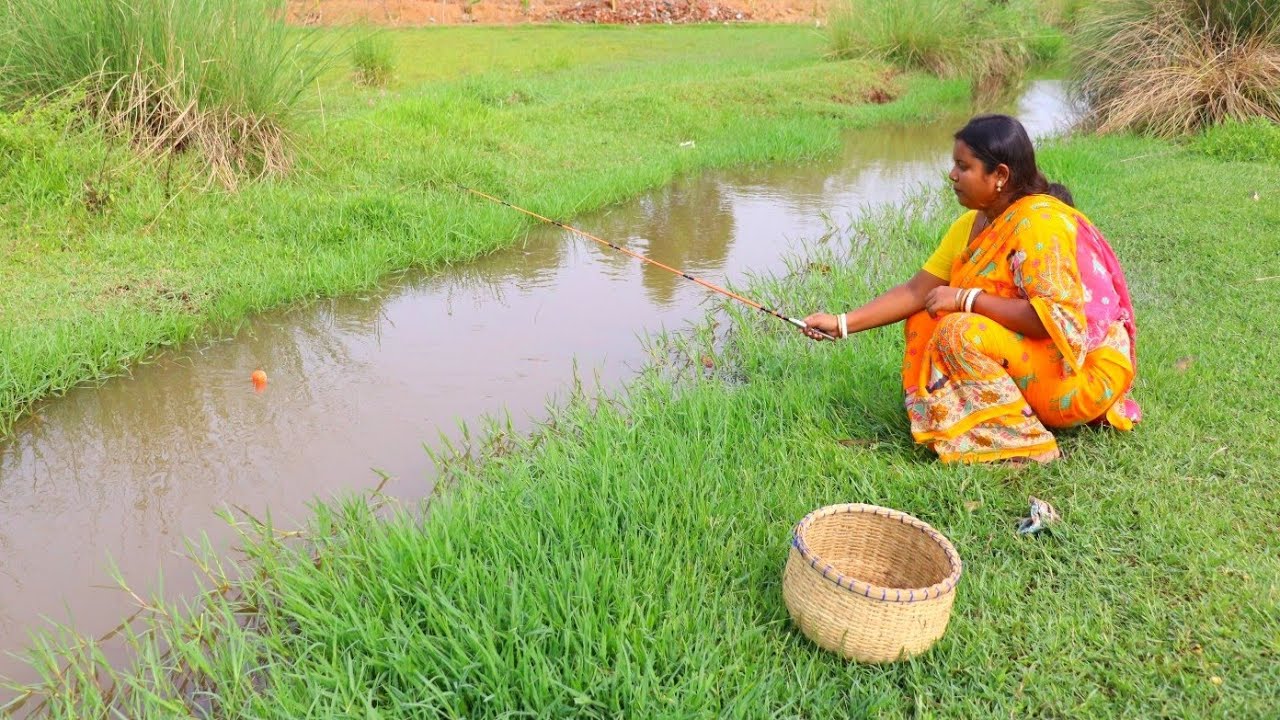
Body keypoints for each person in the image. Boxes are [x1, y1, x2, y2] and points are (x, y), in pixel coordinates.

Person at [802, 114, 1140, 464]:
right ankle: (966, 420)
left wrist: (967, 299)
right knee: (925, 318)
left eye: (963, 166)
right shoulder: (973, 222)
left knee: (957, 328)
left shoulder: (1039, 224)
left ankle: (1028, 445)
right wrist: (841, 323)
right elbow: (917, 290)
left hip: (1079, 377)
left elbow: (1051, 322)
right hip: (1035, 360)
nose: (952, 175)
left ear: (1000, 176)